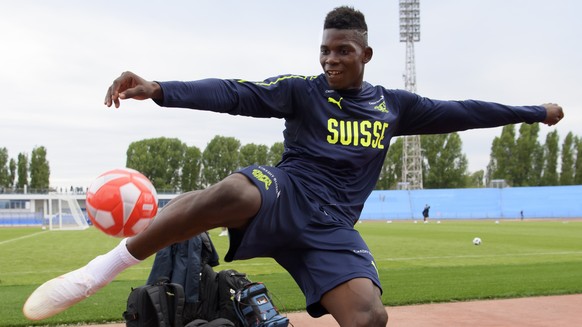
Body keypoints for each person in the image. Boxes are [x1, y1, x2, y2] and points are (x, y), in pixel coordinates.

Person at [23, 6, 564, 327]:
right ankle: (101, 269)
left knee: (369, 317)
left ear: (366, 54)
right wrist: (161, 89)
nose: (331, 60)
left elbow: (466, 112)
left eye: (343, 51)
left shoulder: (394, 106)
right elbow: (235, 92)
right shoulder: (303, 92)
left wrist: (534, 112)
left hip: (332, 228)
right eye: (325, 51)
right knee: (235, 193)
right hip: (287, 192)